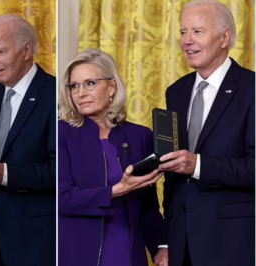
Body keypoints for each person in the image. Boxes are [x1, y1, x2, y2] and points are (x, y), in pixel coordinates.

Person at [157, 1, 255, 266]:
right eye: (182, 32)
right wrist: (166, 240)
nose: (187, 41)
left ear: (224, 37)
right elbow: (172, 173)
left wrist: (197, 164)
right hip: (181, 244)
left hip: (233, 243)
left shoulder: (251, 89)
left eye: (197, 32)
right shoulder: (175, 91)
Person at [58, 48, 168, 266]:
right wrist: (116, 191)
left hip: (126, 250)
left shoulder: (140, 136)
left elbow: (148, 205)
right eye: (74, 86)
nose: (81, 93)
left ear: (112, 87)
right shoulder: (61, 133)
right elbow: (62, 199)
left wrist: (160, 246)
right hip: (76, 251)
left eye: (90, 83)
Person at [0, 14, 56, 266]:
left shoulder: (55, 94)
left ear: (26, 50)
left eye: (1, 51)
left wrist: (6, 174)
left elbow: (60, 171)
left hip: (37, 242)